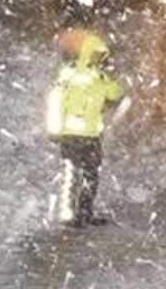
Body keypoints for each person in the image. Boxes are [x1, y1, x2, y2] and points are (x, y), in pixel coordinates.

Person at [44, 29, 128, 228]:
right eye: (100, 56)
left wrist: (113, 77)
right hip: (71, 135)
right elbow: (55, 101)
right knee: (72, 174)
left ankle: (84, 213)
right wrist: (55, 128)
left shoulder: (99, 77)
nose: (103, 60)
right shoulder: (69, 75)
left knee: (91, 174)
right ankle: (68, 215)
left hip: (91, 135)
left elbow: (116, 94)